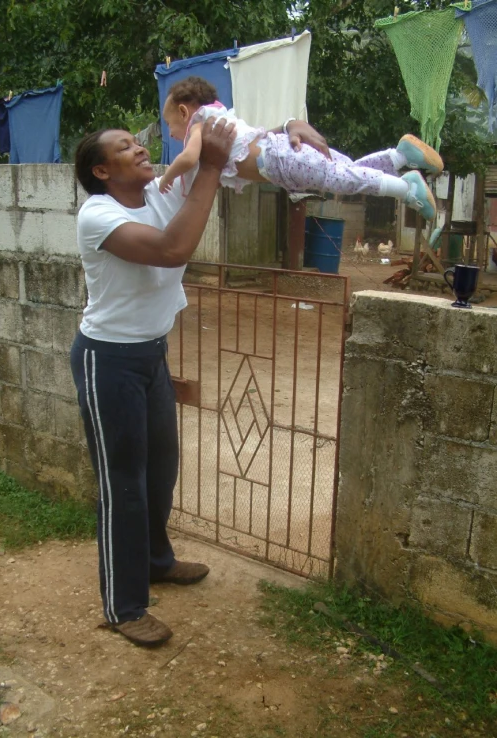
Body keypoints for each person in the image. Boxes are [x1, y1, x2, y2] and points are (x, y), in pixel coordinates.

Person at [71, 115, 332, 648]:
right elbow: (172, 250)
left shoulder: (164, 189)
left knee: (162, 468)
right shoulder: (97, 214)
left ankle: (156, 561)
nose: (141, 149)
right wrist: (210, 166)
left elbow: (225, 134)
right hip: (108, 360)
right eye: (124, 147)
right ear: (102, 170)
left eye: (138, 141)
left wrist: (287, 127)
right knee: (123, 483)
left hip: (149, 355)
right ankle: (124, 606)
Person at [160, 76, 443, 221]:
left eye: (169, 125)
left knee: (341, 180)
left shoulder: (199, 126)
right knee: (347, 170)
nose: (172, 134)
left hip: (280, 161)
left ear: (184, 112)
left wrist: (167, 176)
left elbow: (187, 159)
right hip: (282, 154)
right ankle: (402, 155)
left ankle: (406, 189)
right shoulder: (219, 114)